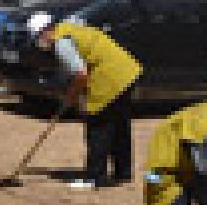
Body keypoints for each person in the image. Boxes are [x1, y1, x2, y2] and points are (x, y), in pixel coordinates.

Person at [27, 12, 142, 189]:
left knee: (97, 126)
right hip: (127, 71)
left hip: (110, 77)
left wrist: (70, 97)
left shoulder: (61, 43)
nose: (39, 43)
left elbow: (81, 75)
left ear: (44, 32)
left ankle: (94, 177)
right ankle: (123, 173)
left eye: (36, 38)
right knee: (119, 124)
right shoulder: (70, 25)